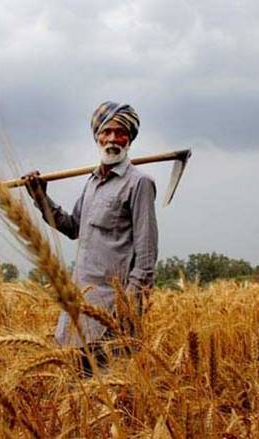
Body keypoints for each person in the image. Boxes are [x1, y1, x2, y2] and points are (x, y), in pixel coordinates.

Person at [22, 101, 158, 374]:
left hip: (112, 313)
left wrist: (127, 310)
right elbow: (72, 227)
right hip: (80, 306)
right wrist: (40, 197)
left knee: (110, 389)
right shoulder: (92, 183)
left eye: (121, 132)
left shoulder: (139, 183)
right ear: (97, 137)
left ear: (130, 139)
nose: (112, 139)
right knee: (76, 385)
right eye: (106, 132)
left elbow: (146, 258)